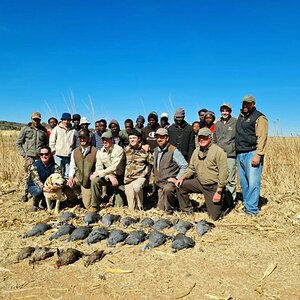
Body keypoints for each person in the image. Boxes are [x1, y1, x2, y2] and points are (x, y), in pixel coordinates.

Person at [177, 128, 228, 220]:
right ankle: (187, 210)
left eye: (204, 137)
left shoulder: (219, 152)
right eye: (200, 137)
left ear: (210, 138)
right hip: (199, 182)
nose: (202, 139)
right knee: (180, 186)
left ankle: (225, 201)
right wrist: (182, 178)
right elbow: (191, 168)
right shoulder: (196, 151)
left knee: (214, 217)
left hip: (213, 186)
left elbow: (223, 174)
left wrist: (219, 192)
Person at [235, 95, 268, 216]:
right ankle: (247, 205)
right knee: (244, 183)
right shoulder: (240, 117)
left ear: (253, 104)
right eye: (244, 103)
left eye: (248, 103)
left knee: (253, 182)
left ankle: (252, 210)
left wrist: (258, 155)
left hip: (252, 153)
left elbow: (262, 137)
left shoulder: (260, 117)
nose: (245, 105)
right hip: (240, 153)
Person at [153, 128, 188, 214]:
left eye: (161, 137)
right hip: (160, 182)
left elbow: (185, 165)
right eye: (157, 137)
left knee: (168, 189)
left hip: (169, 182)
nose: (159, 139)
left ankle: (170, 211)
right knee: (160, 209)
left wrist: (177, 178)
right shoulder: (156, 150)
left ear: (167, 138)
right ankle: (173, 203)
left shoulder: (174, 150)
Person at [16, 112, 49, 203]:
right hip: (29, 156)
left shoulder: (43, 130)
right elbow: (18, 143)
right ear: (31, 119)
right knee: (28, 176)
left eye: (38, 119)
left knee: (39, 175)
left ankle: (40, 193)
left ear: (40, 120)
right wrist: (24, 155)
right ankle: (25, 193)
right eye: (35, 119)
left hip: (40, 157)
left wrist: (45, 155)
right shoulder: (25, 129)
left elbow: (47, 143)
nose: (36, 121)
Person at [90, 131, 126, 207]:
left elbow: (114, 166)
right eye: (103, 139)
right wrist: (108, 176)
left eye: (107, 139)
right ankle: (95, 205)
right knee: (94, 180)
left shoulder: (119, 149)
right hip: (107, 176)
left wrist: (102, 173)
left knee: (119, 206)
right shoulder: (100, 152)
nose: (105, 141)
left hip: (119, 177)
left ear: (112, 139)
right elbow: (99, 168)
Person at [67, 129, 98, 211]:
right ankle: (75, 200)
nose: (82, 139)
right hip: (78, 178)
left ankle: (84, 199)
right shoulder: (75, 151)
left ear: (88, 138)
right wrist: (70, 177)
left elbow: (99, 166)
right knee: (66, 187)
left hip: (88, 183)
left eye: (84, 137)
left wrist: (94, 174)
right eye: (80, 138)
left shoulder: (95, 151)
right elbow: (72, 166)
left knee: (87, 206)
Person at [213, 103, 237, 201]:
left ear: (230, 111)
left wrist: (234, 148)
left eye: (226, 110)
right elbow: (214, 138)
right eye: (223, 110)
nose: (224, 112)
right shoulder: (217, 123)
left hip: (230, 154)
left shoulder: (235, 121)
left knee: (231, 178)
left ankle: (231, 200)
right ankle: (221, 198)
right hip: (219, 155)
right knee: (220, 178)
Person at [124, 129, 152, 210]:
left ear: (139, 139)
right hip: (128, 179)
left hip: (140, 177)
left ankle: (141, 206)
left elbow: (153, 162)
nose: (132, 140)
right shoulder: (126, 150)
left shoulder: (145, 150)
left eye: (134, 138)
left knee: (137, 187)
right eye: (130, 138)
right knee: (132, 209)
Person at [28, 146, 61, 211]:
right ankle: (36, 203)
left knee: (51, 207)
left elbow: (58, 179)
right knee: (38, 191)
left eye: (46, 154)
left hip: (50, 187)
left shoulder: (55, 166)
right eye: (41, 154)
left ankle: (45, 200)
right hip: (35, 186)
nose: (44, 156)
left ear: (50, 155)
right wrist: (43, 188)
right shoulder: (34, 165)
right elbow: (36, 180)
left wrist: (53, 188)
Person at [49, 112, 74, 179]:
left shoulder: (73, 130)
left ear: (70, 121)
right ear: (62, 120)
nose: (66, 122)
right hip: (58, 155)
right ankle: (59, 188)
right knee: (58, 173)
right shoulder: (56, 129)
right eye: (64, 120)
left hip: (69, 155)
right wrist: (53, 150)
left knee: (67, 174)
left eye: (68, 120)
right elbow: (51, 141)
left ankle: (67, 188)